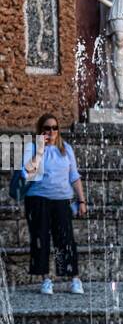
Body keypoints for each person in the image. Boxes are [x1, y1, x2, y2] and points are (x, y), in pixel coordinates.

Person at [21, 113, 87, 296]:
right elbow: (27, 173)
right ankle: (46, 279)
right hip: (37, 199)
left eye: (54, 128)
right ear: (40, 130)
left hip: (61, 201)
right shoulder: (32, 147)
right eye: (47, 128)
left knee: (65, 240)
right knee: (41, 239)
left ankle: (74, 278)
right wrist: (41, 150)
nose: (51, 131)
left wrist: (81, 199)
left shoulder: (66, 148)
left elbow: (74, 176)